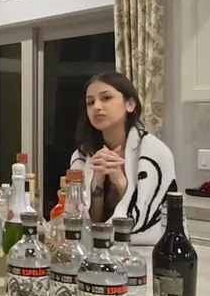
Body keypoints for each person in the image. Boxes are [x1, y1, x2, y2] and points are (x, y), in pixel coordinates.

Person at [68, 72, 179, 246]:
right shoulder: (82, 156)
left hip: (148, 249)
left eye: (106, 98)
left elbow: (148, 219)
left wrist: (119, 180)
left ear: (130, 104)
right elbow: (87, 224)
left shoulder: (155, 153)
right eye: (90, 102)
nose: (97, 106)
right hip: (97, 249)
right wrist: (96, 183)